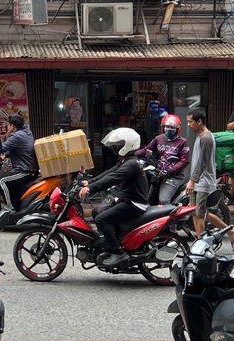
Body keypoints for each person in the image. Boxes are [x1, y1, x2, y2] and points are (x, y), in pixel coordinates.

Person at [77, 127, 150, 267]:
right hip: (126, 199)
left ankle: (118, 252)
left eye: (119, 145)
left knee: (101, 219)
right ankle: (111, 243)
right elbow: (110, 172)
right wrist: (90, 182)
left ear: (128, 145)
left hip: (134, 204)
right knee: (96, 211)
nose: (115, 148)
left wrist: (90, 188)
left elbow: (112, 179)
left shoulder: (130, 165)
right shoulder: (126, 160)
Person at [185, 108, 234, 241]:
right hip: (198, 181)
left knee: (199, 213)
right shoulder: (200, 136)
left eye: (190, 122)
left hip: (203, 182)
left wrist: (192, 180)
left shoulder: (207, 138)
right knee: (194, 212)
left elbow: (202, 162)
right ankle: (200, 239)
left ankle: (207, 241)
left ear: (200, 122)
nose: (188, 125)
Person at [0, 115, 39, 225]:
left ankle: (9, 208)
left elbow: (0, 149)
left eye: (9, 125)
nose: (8, 128)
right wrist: (6, 156)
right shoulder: (27, 132)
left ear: (12, 126)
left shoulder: (16, 136)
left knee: (1, 179)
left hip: (25, 171)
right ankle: (14, 207)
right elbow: (20, 150)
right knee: (7, 179)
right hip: (30, 169)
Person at [135, 114, 191, 204]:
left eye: (172, 128)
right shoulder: (158, 139)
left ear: (177, 129)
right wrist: (133, 154)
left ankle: (173, 216)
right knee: (149, 200)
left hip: (174, 176)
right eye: (167, 127)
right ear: (163, 127)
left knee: (163, 200)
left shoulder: (182, 142)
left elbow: (184, 161)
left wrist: (170, 170)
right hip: (158, 174)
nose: (169, 129)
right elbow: (147, 150)